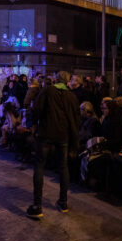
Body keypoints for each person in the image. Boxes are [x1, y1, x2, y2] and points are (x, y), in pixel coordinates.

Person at [28, 71, 80, 219]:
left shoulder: (48, 90)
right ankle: (63, 202)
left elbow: (37, 109)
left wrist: (32, 123)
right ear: (67, 81)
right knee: (63, 167)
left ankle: (37, 206)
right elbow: (76, 118)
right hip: (63, 135)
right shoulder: (71, 96)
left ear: (56, 79)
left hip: (46, 133)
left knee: (39, 165)